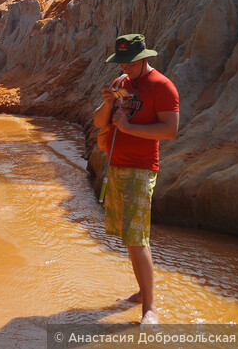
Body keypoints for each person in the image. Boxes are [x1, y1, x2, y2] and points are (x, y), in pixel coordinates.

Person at [93, 34, 179, 325]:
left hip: (141, 169)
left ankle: (150, 308)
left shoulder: (163, 86)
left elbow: (169, 130)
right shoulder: (120, 84)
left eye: (128, 62)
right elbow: (99, 122)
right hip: (116, 165)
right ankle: (142, 295)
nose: (124, 67)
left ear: (144, 59)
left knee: (138, 237)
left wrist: (128, 129)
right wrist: (107, 104)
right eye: (120, 62)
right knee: (130, 238)